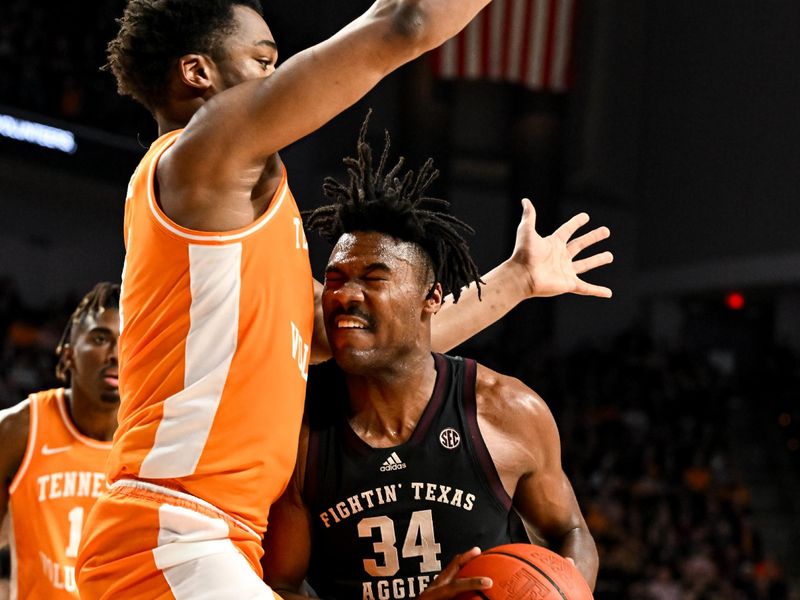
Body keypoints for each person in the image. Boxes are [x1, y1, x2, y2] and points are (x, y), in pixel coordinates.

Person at [77, 2, 612, 598]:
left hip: (206, 538)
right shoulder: (202, 153)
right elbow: (405, 23)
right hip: (174, 534)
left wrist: (518, 280)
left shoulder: (232, 235)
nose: (277, 77)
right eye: (263, 61)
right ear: (198, 73)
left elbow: (383, 339)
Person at [260, 123, 600, 599]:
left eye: (373, 279)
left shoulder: (505, 409)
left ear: (431, 298)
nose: (344, 296)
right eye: (334, 279)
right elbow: (280, 587)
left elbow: (572, 532)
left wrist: (565, 591)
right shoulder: (299, 432)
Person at [0, 283, 120, 599]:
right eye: (100, 338)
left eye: (129, 341)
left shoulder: (153, 440)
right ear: (68, 355)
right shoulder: (20, 429)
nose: (116, 355)